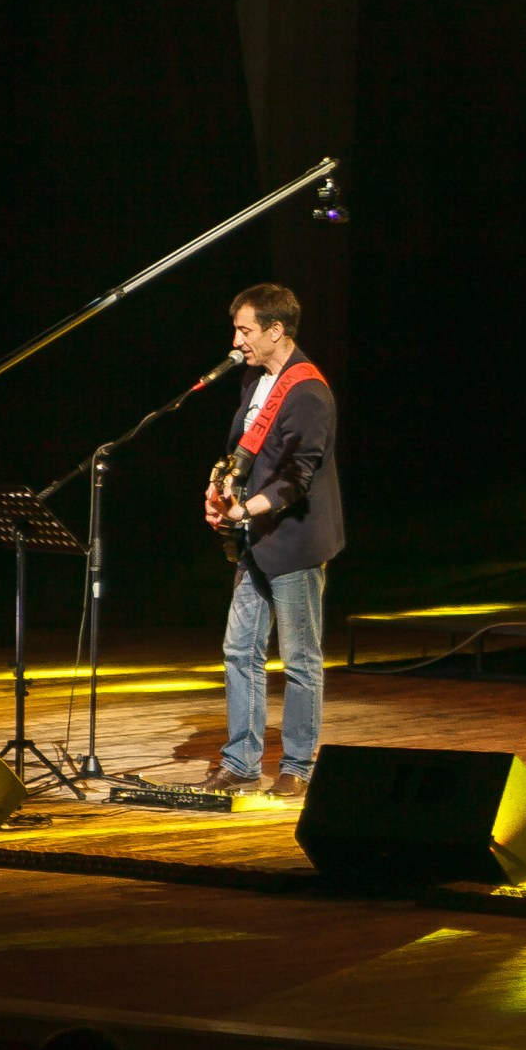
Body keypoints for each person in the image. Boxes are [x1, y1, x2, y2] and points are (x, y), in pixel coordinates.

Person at [193, 283, 343, 797]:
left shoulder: (309, 393)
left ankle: (298, 766)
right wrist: (219, 489)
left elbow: (297, 477)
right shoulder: (254, 379)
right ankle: (240, 762)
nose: (236, 341)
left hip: (296, 542)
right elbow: (242, 449)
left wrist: (246, 510)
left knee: (300, 658)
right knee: (240, 649)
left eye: (245, 330)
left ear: (277, 330)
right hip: (257, 538)